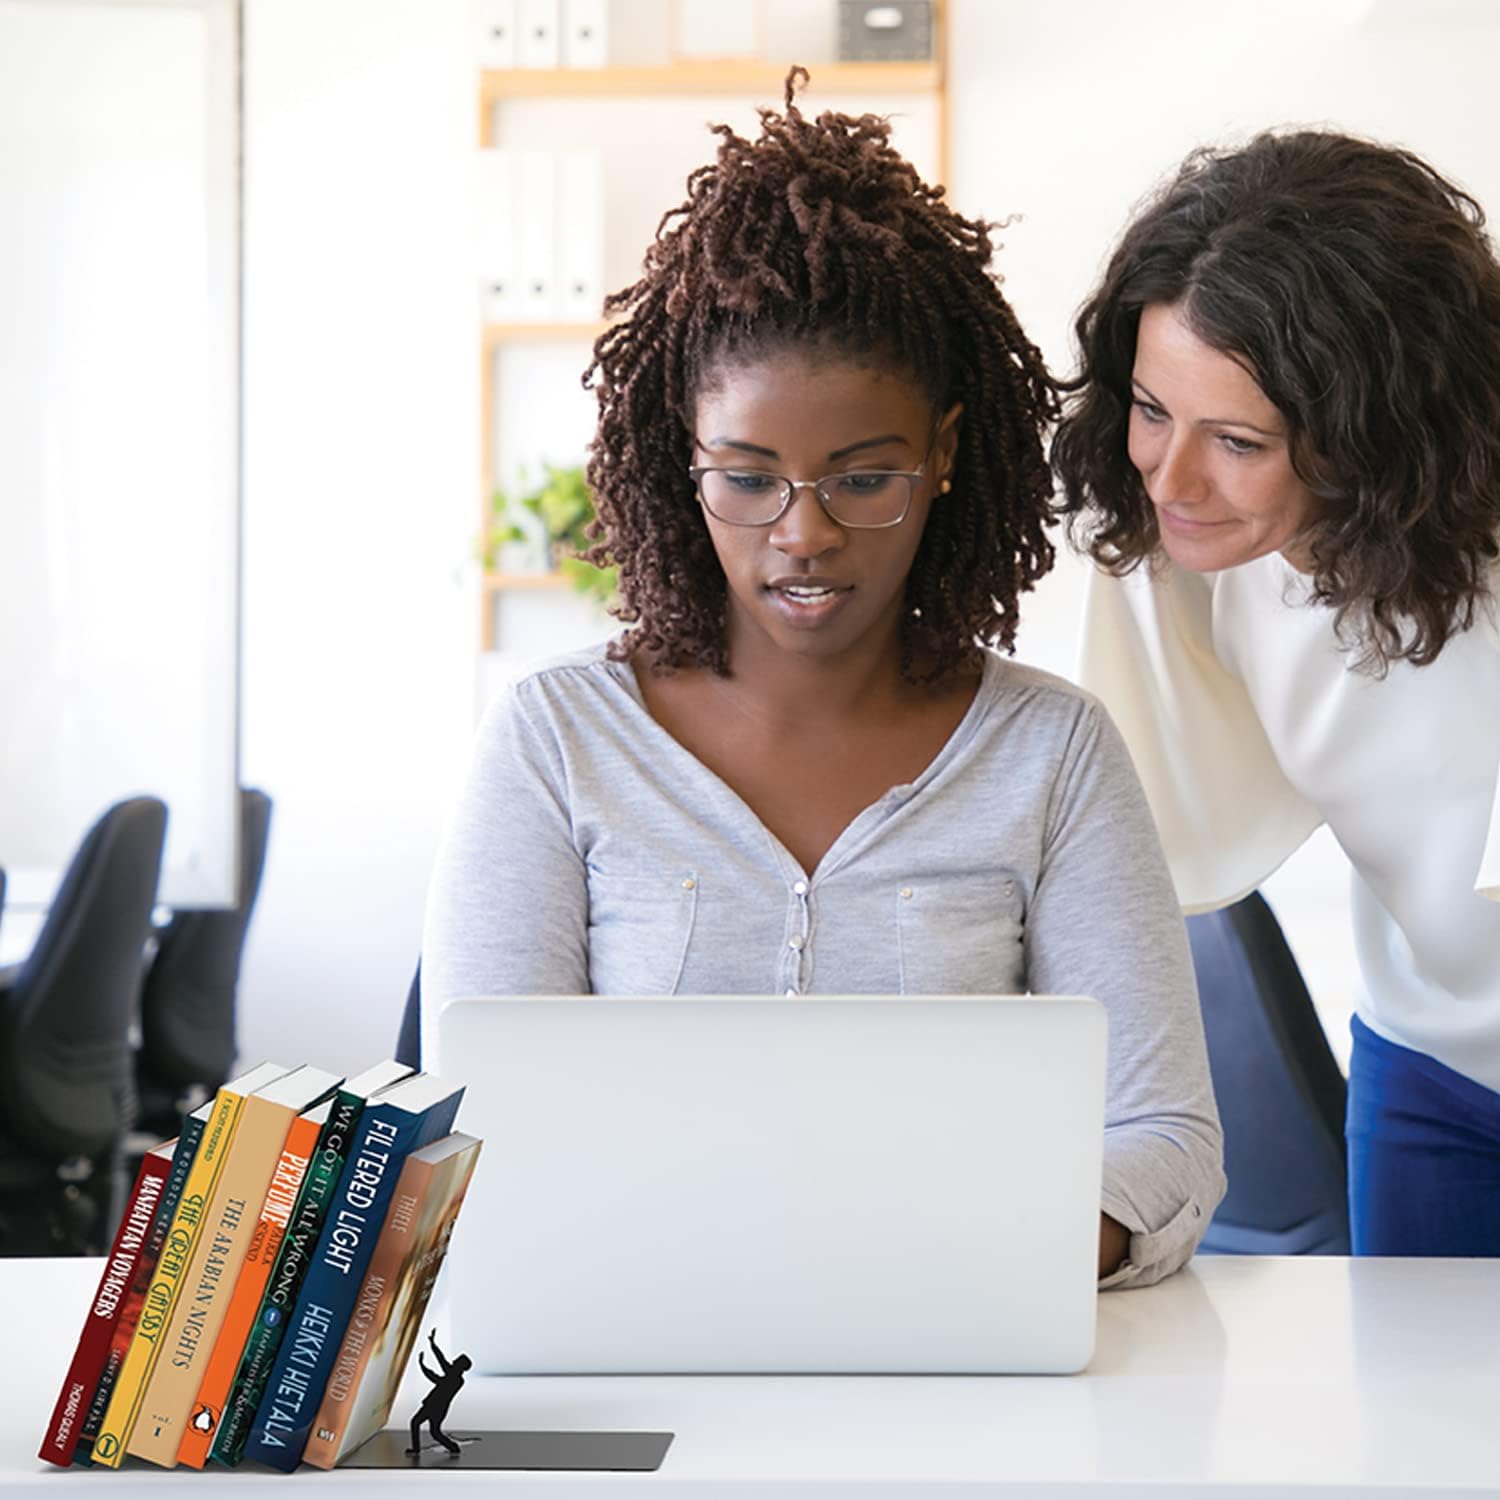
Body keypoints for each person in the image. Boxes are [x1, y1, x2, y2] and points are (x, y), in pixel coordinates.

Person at [424, 70, 1224, 1286]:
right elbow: (481, 1130)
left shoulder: (1050, 756)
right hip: (643, 1346)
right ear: (680, 460)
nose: (802, 535)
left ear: (945, 455)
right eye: (747, 478)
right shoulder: (555, 740)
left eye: (863, 478)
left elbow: (1164, 1139)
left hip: (961, 1346)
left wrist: (982, 1254)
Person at [1052, 128, 1500, 1256]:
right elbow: (1148, 842)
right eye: (1153, 409)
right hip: (1430, 1061)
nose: (1171, 476)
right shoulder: (1189, 546)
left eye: (1238, 440)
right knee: (1419, 1425)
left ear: (1373, 436)